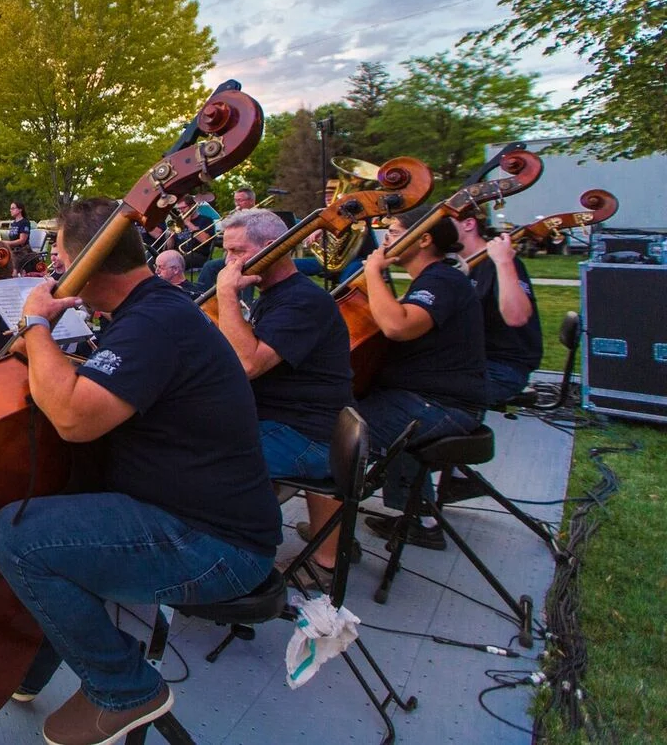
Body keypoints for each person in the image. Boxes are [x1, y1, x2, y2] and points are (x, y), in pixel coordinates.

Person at [0, 197, 280, 739]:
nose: (56, 272)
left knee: (19, 537)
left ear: (89, 265)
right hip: (189, 514)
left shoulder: (154, 323)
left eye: (61, 260)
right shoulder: (154, 309)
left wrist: (35, 324)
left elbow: (74, 419)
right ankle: (33, 668)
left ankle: (123, 688)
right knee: (65, 513)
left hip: (215, 543)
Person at [214, 208, 353, 585]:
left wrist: (226, 294)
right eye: (226, 252)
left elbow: (247, 363)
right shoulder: (275, 296)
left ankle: (242, 565)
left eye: (237, 251)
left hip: (308, 436)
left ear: (273, 247)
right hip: (291, 422)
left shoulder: (302, 300)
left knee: (205, 460)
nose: (229, 263)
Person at [355, 208, 487, 550]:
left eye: (394, 232)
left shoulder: (441, 281)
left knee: (332, 428)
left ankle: (332, 537)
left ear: (424, 238)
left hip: (440, 407)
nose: (385, 239)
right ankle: (420, 520)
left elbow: (397, 326)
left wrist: (372, 272)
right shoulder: (434, 280)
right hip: (428, 400)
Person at [458, 214, 542, 405]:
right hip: (469, 362)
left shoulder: (499, 262)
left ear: (468, 224)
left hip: (500, 368)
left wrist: (504, 262)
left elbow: (517, 317)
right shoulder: (456, 264)